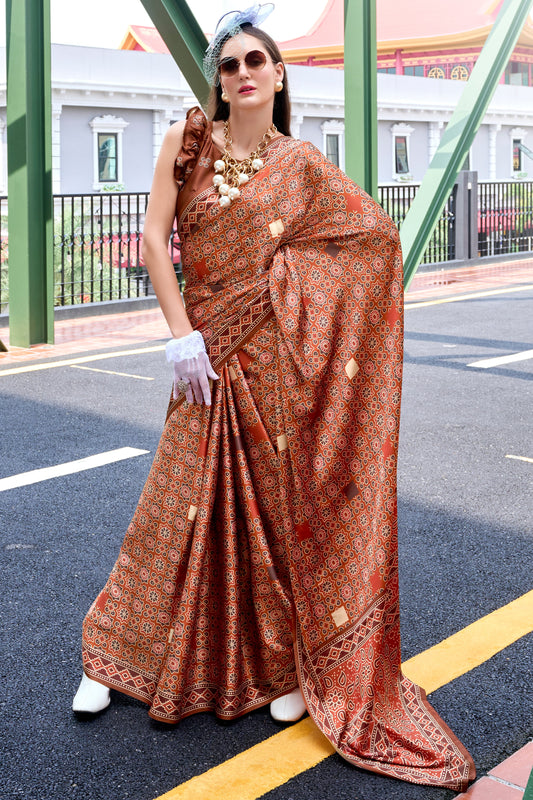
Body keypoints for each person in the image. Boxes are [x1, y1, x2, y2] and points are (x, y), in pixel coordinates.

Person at [73, 4, 475, 791]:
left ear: (277, 75)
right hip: (204, 356)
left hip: (271, 362)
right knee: (172, 508)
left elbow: (369, 238)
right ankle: (116, 657)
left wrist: (293, 296)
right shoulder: (185, 144)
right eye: (228, 65)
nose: (241, 74)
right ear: (218, 81)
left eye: (255, 61)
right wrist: (179, 333)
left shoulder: (299, 165)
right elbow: (157, 240)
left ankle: (286, 672)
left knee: (266, 518)